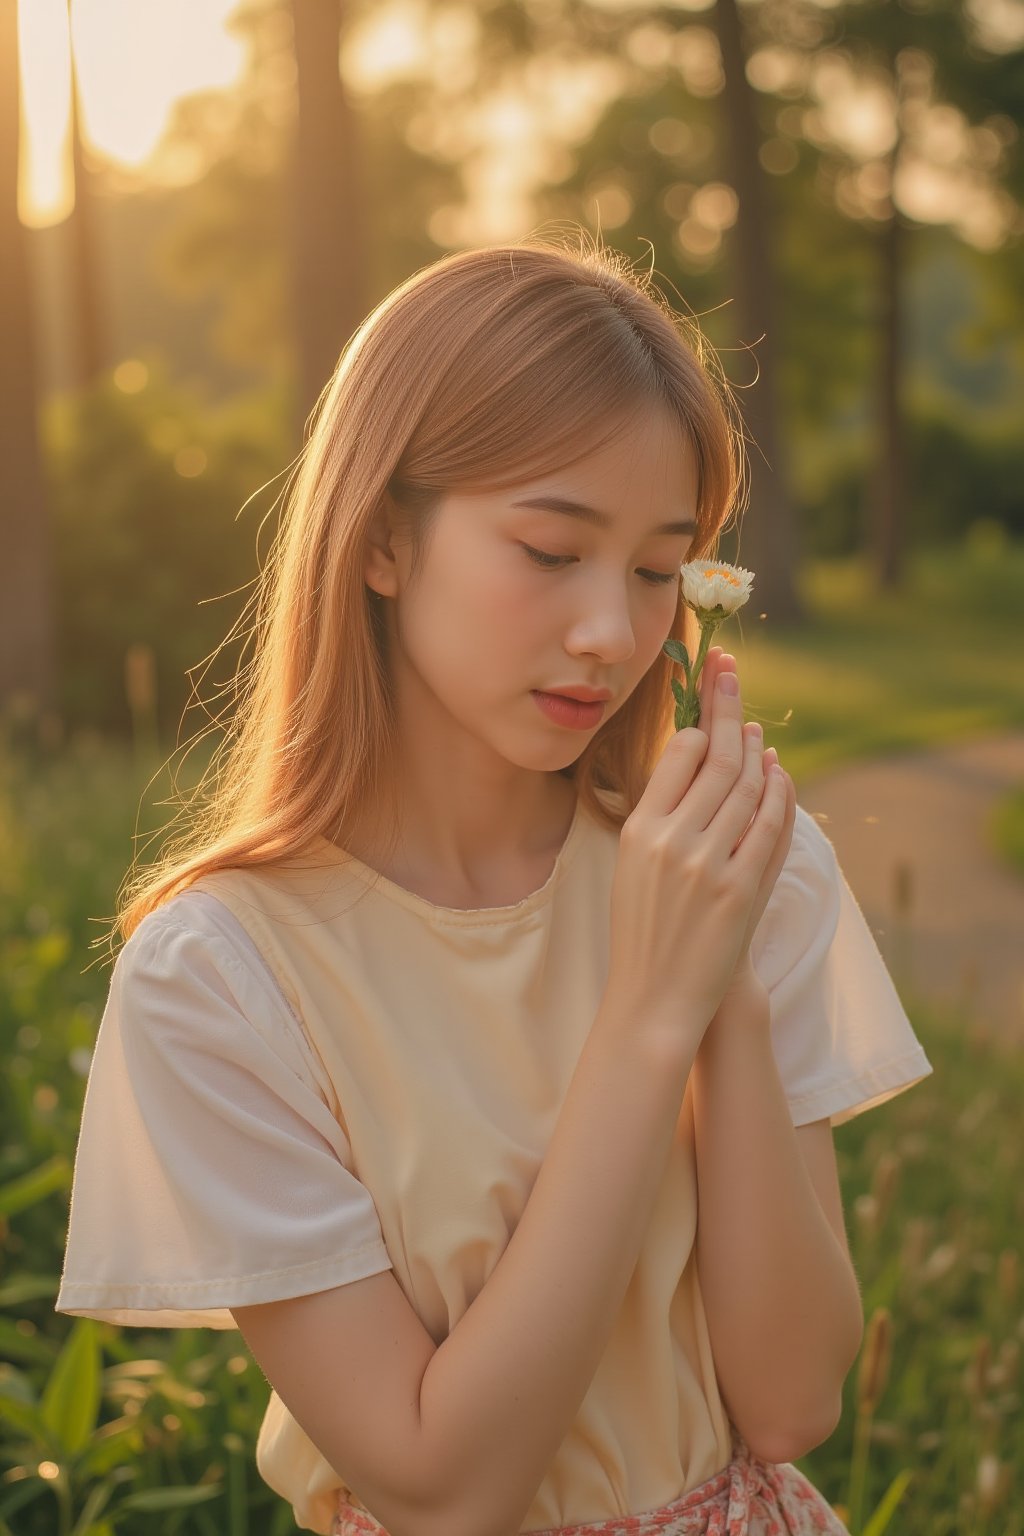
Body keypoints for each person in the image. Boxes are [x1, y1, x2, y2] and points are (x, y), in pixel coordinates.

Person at [56, 236, 933, 1536]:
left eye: (655, 572)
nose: (611, 634)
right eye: (548, 550)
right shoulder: (224, 977)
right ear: (384, 540)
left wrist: (722, 993)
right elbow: (443, 1484)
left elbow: (794, 1399)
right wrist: (649, 1016)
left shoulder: (737, 872)